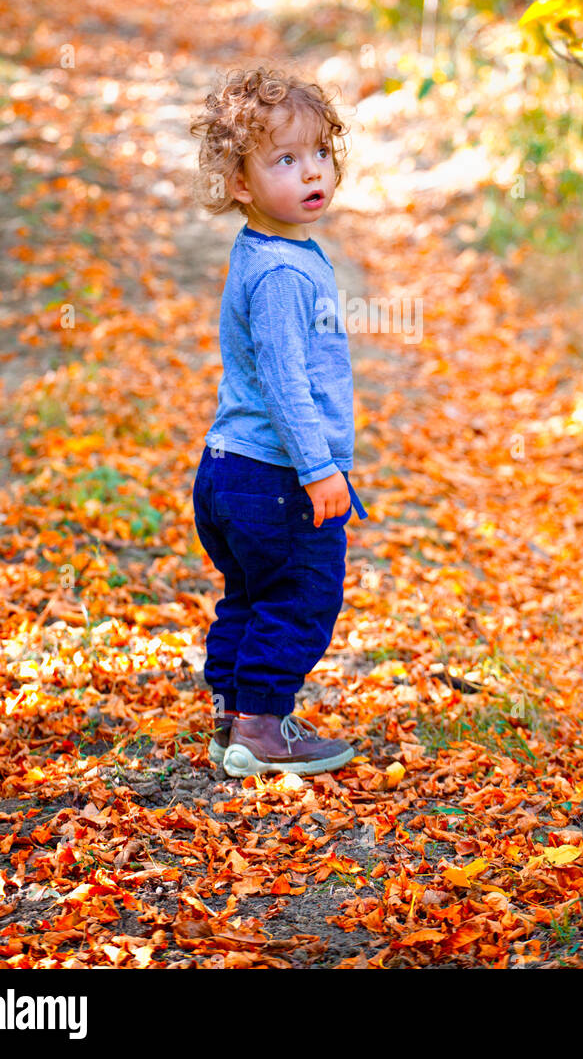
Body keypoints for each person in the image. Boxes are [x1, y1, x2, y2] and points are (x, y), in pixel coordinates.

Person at [189, 66, 369, 776]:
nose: (311, 172)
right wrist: (320, 469)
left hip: (229, 469)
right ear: (240, 182)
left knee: (252, 594)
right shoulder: (286, 275)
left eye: (321, 153)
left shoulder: (265, 250)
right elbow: (288, 384)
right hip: (275, 479)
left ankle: (235, 716)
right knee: (302, 594)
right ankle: (264, 728)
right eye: (285, 161)